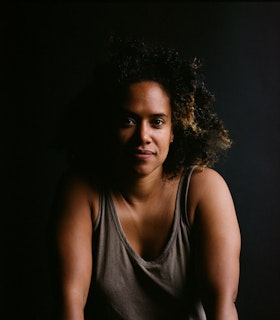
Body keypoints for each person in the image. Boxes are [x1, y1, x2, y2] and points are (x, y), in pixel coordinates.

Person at [48, 36, 241, 320]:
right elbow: (69, 308)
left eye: (157, 122)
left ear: (175, 130)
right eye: (128, 120)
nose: (143, 136)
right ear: (109, 125)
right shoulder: (82, 191)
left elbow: (222, 307)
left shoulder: (204, 190)